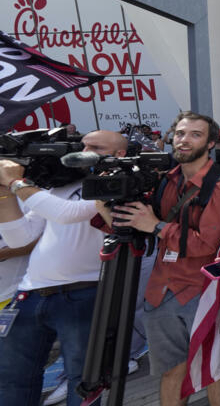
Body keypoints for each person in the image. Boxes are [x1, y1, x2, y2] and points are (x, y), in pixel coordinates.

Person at [105, 112, 220, 406]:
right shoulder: (166, 179)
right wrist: (107, 201)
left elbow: (207, 243)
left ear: (211, 142)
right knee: (170, 370)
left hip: (203, 292)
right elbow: (126, 223)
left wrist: (156, 226)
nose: (184, 140)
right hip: (161, 290)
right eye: (180, 133)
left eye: (195, 134)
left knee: (214, 368)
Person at [0, 130, 127, 406]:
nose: (82, 150)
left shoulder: (118, 184)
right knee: (12, 378)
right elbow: (20, 237)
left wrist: (16, 182)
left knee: (83, 382)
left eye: (94, 146)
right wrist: (5, 195)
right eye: (82, 144)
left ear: (119, 154)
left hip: (83, 293)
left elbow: (65, 214)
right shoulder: (58, 185)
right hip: (31, 293)